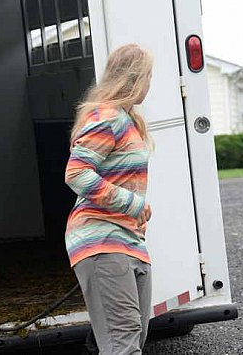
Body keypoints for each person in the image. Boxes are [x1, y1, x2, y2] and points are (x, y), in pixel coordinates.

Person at [65, 44, 154, 354]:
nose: (150, 83)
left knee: (134, 337)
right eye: (148, 75)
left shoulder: (128, 120)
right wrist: (133, 203)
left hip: (129, 239)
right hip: (101, 238)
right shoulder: (108, 116)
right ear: (134, 78)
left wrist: (137, 208)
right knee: (122, 343)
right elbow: (76, 173)